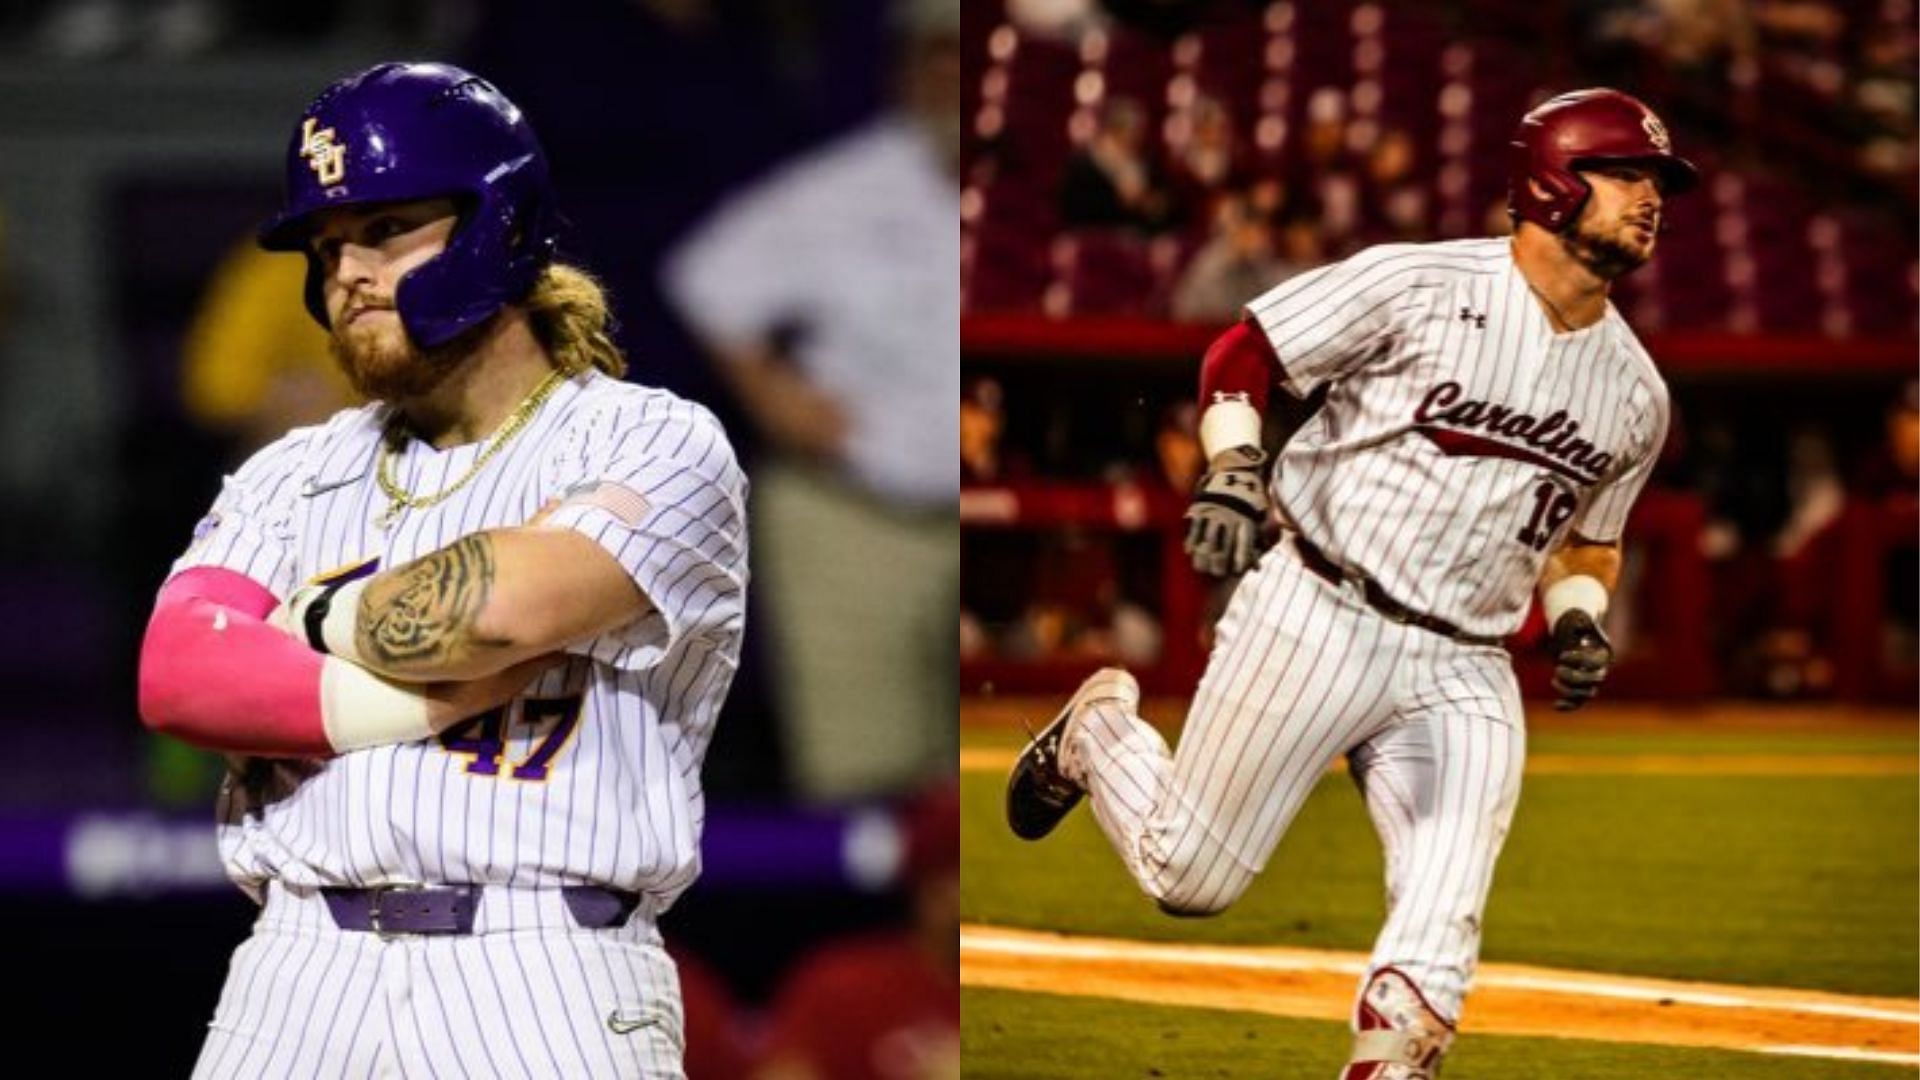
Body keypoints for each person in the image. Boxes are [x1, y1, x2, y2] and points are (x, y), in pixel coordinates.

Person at [1005, 88, 1694, 1079]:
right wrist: (1235, 464)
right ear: (1552, 178)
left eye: (1658, 181)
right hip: (1320, 606)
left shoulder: (1637, 392)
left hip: (1468, 662)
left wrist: (1579, 616)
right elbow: (1247, 354)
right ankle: (1098, 731)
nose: (1650, 198)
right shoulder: (1417, 283)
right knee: (1187, 877)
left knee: (1442, 900)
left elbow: (1590, 542)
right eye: (1626, 173)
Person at [136, 62, 747, 1078]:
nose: (349, 275)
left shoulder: (652, 443)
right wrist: (422, 703)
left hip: (547, 967)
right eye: (329, 248)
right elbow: (175, 673)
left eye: (385, 231)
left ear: (496, 223)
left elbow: (504, 613)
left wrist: (307, 617)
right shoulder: (295, 468)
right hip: (295, 969)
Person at [663, 0, 959, 803]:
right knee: (865, 788)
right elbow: (706, 277)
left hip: (986, 519)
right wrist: (774, 396)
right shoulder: (850, 186)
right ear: (906, 72)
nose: (952, 77)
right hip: (855, 515)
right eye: (935, 56)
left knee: (991, 760)